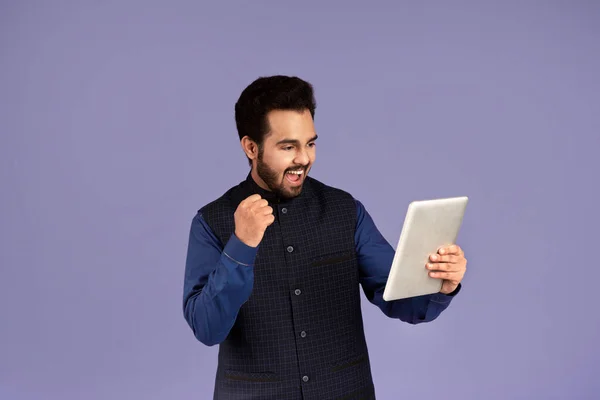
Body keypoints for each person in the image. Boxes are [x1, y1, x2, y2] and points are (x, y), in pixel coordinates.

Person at [182, 75, 467, 399]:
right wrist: (241, 246)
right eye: (288, 146)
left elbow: (401, 298)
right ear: (251, 147)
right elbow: (207, 328)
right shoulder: (211, 222)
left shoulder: (345, 210)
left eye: (310, 143)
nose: (304, 158)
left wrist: (441, 285)